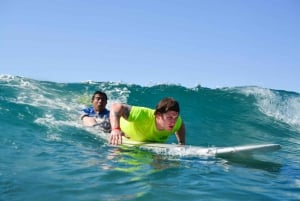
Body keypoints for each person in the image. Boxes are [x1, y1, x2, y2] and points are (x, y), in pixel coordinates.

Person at [109, 97, 186, 145]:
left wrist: (181, 142)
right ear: (158, 115)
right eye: (169, 118)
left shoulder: (176, 121)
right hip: (113, 126)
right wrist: (116, 129)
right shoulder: (143, 115)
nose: (173, 121)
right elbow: (116, 107)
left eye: (175, 117)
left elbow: (180, 124)